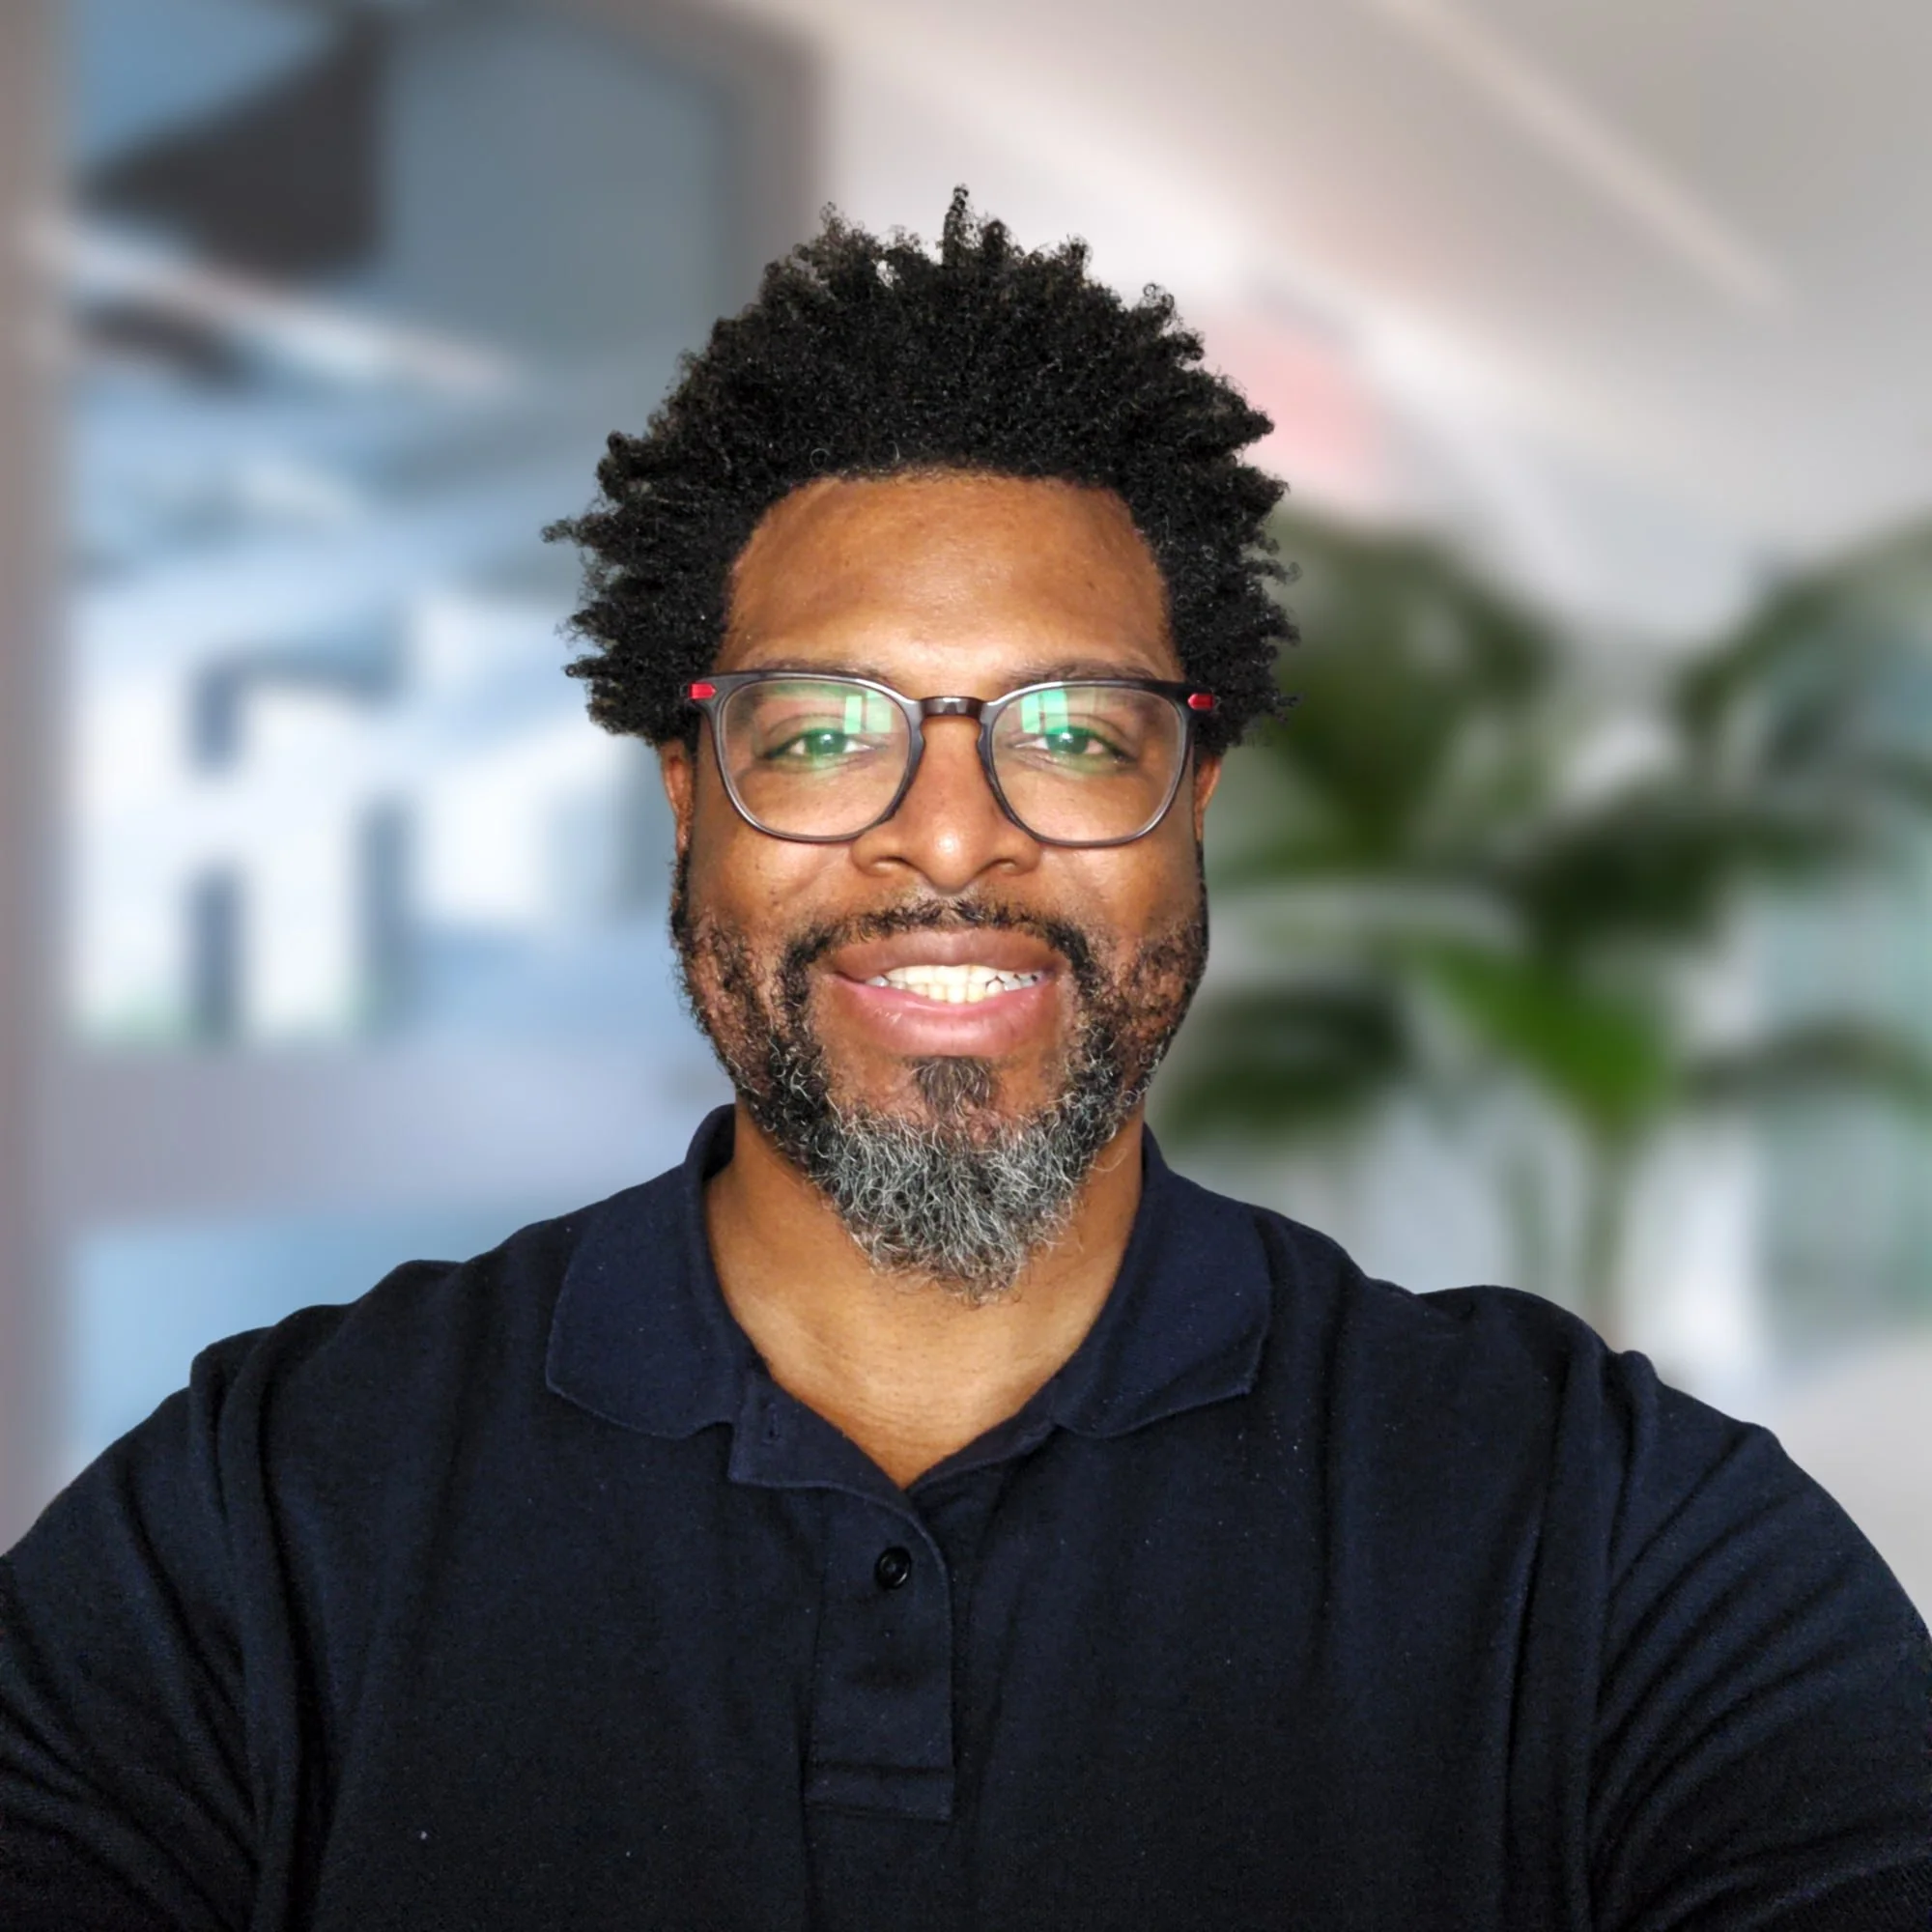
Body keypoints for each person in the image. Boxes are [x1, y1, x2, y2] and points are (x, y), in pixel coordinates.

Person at [2, 192, 1927, 1932]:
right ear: (685, 797)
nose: (947, 836)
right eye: (828, 733)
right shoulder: (257, 1519)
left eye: (1075, 735)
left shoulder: (1608, 1540)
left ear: (1197, 800)